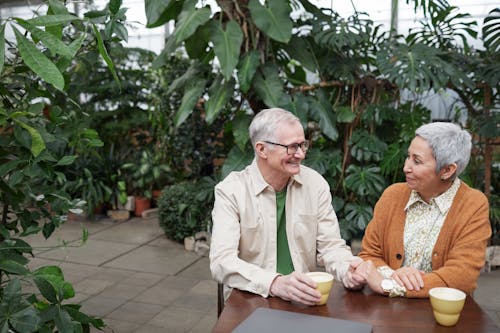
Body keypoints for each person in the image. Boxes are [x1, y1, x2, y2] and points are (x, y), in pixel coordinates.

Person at [209, 108, 365, 306]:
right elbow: (221, 261)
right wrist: (274, 283)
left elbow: (331, 246)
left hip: (304, 298)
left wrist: (347, 269)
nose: (300, 154)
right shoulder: (231, 191)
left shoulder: (315, 184)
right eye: (292, 147)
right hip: (251, 299)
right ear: (262, 149)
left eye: (302, 145)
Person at [355, 122, 491, 298]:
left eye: (417, 161)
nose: (406, 167)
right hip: (386, 311)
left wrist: (391, 285)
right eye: (408, 157)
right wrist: (395, 275)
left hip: (444, 315)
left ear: (447, 170)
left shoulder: (473, 205)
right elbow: (369, 255)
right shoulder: (392, 195)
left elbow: (461, 276)